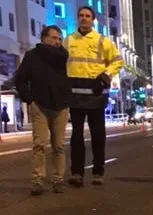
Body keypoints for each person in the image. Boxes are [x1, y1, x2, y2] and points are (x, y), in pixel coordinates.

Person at [65, 6, 123, 187]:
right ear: (77, 18)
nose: (84, 18)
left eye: (87, 16)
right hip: (75, 95)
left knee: (98, 136)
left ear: (93, 20)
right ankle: (77, 173)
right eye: (81, 16)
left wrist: (105, 77)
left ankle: (98, 172)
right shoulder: (68, 40)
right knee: (76, 137)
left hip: (97, 95)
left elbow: (117, 61)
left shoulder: (102, 41)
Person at [15, 25, 71, 195]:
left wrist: (68, 97)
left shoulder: (64, 57)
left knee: (59, 146)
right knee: (39, 144)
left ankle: (58, 180)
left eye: (59, 39)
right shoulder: (32, 56)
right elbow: (20, 79)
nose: (57, 41)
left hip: (61, 106)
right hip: (40, 106)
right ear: (44, 38)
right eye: (54, 38)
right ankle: (38, 180)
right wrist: (30, 99)